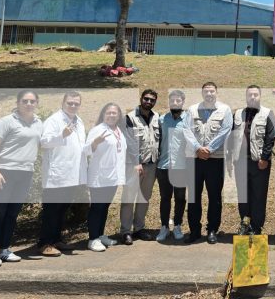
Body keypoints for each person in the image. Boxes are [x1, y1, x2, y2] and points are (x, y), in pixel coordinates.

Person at [0, 91, 42, 267]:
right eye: (24, 101)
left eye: (32, 101)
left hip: (25, 173)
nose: (28, 104)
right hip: (3, 172)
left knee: (12, 214)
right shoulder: (7, 121)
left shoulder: (38, 123)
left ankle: (4, 249)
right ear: (18, 103)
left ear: (37, 103)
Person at [38, 91, 87, 257]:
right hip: (56, 174)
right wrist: (62, 135)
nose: (73, 106)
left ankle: (56, 239)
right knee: (52, 209)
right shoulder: (54, 120)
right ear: (63, 103)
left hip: (72, 174)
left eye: (76, 104)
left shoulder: (79, 121)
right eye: (70, 103)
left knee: (62, 209)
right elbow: (44, 142)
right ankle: (45, 243)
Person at [185, 81, 233, 244]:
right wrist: (198, 148)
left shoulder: (225, 110)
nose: (209, 94)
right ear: (202, 93)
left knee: (214, 197)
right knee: (193, 197)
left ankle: (212, 229)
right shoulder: (192, 110)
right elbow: (187, 130)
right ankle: (194, 231)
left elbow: (225, 130)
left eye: (212, 91)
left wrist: (209, 149)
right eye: (206, 91)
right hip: (195, 159)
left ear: (216, 92)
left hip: (215, 160)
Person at [227, 85, 275, 235]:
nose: (252, 97)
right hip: (240, 161)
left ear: (260, 96)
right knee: (243, 195)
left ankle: (256, 227)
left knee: (258, 195)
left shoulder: (268, 113)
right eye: (250, 95)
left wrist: (265, 158)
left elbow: (270, 137)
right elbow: (231, 136)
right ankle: (245, 223)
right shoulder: (238, 114)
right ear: (246, 97)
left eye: (255, 95)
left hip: (259, 163)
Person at [156, 90, 198, 242]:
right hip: (164, 165)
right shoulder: (162, 120)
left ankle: (178, 225)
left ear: (183, 102)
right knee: (165, 198)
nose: (174, 103)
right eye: (172, 100)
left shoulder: (189, 120)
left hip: (181, 166)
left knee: (180, 198)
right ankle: (164, 227)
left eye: (178, 101)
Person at [85, 103, 128, 252]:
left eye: (114, 113)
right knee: (97, 207)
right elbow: (86, 151)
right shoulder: (98, 130)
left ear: (118, 116)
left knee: (104, 207)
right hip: (100, 176)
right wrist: (95, 143)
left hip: (113, 177)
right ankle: (92, 239)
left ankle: (101, 235)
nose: (111, 115)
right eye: (108, 113)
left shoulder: (118, 130)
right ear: (103, 114)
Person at [120, 89, 161, 245]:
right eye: (146, 99)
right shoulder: (130, 118)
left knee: (144, 198)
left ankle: (139, 228)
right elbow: (129, 142)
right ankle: (125, 231)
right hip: (133, 165)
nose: (149, 102)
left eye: (152, 100)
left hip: (151, 165)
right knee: (128, 199)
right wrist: (136, 162)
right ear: (141, 99)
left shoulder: (157, 117)